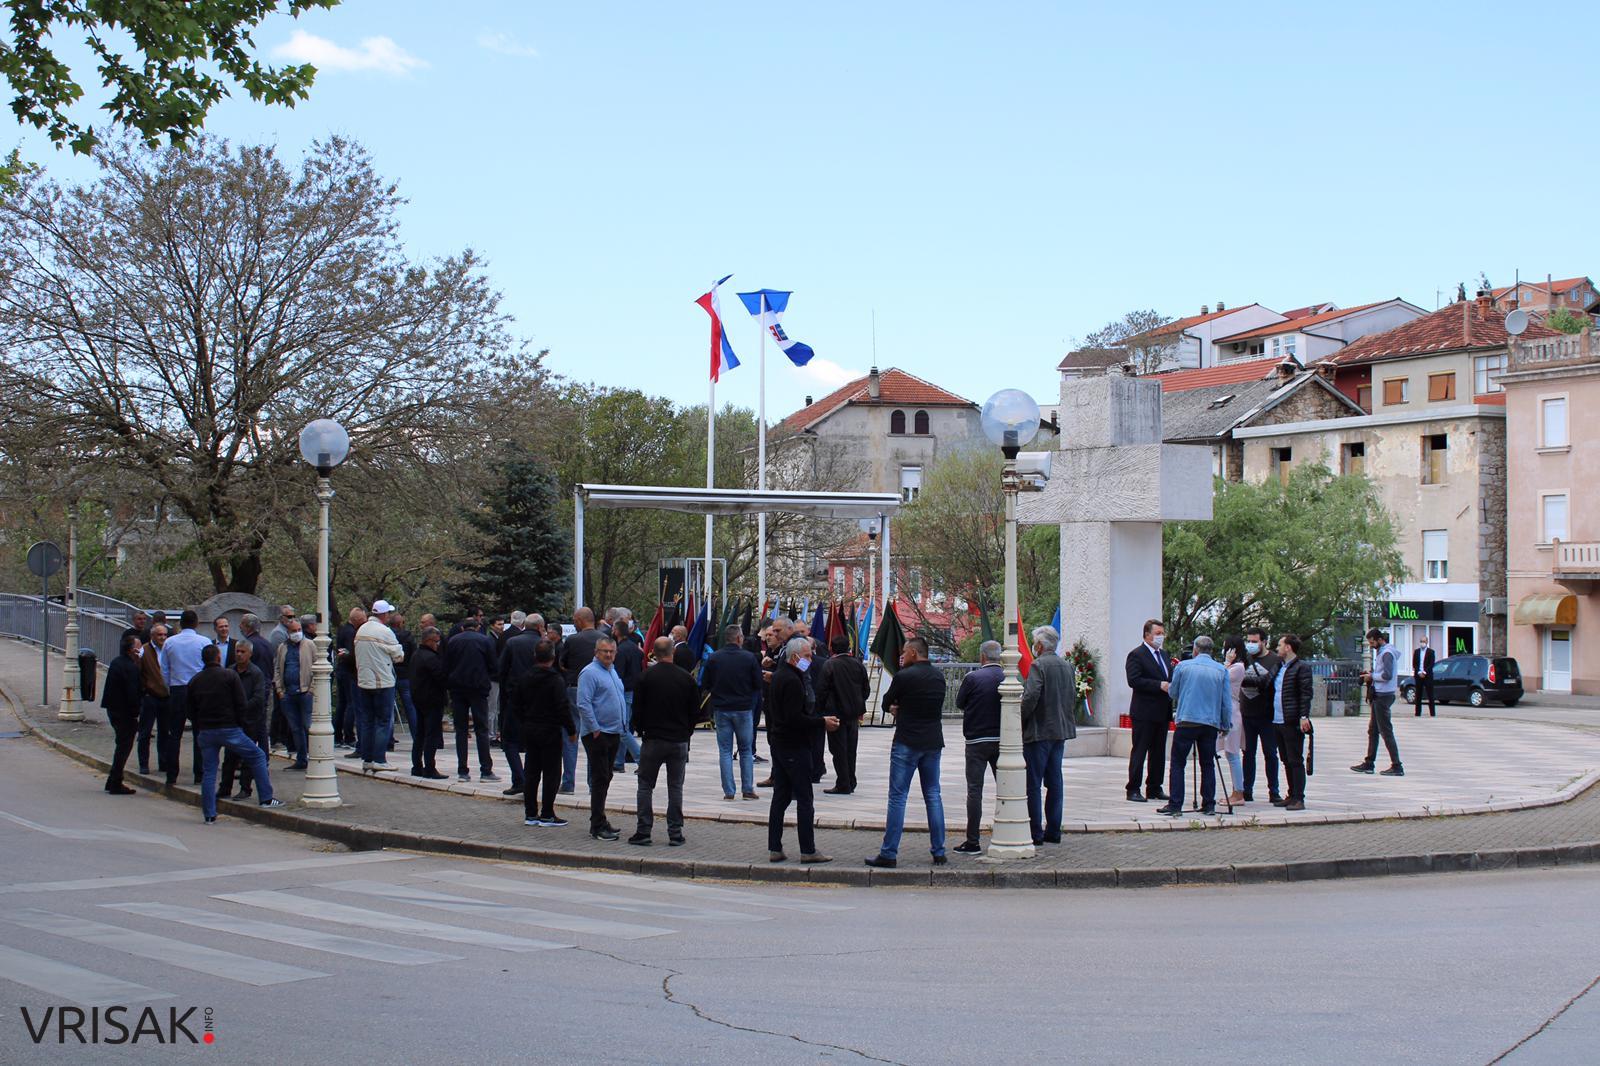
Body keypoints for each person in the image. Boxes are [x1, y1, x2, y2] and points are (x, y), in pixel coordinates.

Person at [866, 637, 947, 869]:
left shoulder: (905, 676)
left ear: (913, 652)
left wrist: (895, 708)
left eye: (904, 652)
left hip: (907, 740)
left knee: (898, 797)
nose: (902, 656)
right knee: (933, 795)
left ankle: (889, 853)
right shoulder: (938, 676)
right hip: (932, 741)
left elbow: (886, 702)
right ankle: (939, 851)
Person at [190, 644, 284, 823]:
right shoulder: (229, 675)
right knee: (257, 755)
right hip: (229, 727)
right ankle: (266, 797)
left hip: (206, 730)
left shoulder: (196, 680)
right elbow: (241, 703)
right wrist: (240, 723)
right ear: (218, 657)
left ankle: (209, 814)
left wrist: (200, 724)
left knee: (209, 771)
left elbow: (190, 708)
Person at [766, 636, 835, 864]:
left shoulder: (780, 675)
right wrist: (821, 722)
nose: (810, 659)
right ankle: (808, 849)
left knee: (781, 796)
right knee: (804, 798)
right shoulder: (792, 681)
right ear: (795, 657)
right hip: (794, 745)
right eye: (807, 656)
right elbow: (795, 718)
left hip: (780, 742)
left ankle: (775, 847)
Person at [629, 637, 700, 846]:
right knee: (675, 787)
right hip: (678, 739)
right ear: (673, 652)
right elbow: (694, 711)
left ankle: (643, 830)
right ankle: (675, 832)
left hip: (653, 738)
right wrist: (686, 733)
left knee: (645, 785)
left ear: (654, 652)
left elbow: (637, 709)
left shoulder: (645, 677)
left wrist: (642, 729)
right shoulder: (686, 678)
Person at [1156, 636, 1232, 817]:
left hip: (1187, 720)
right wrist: (1225, 723)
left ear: (1195, 650)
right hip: (1210, 722)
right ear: (1211, 650)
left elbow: (1173, 692)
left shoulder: (1183, 666)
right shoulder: (1221, 670)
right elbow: (1225, 702)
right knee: (1207, 763)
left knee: (1178, 763)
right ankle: (1209, 804)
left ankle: (1175, 804)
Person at [1021, 625, 1076, 845]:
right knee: (1055, 782)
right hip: (1059, 731)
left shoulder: (1038, 665)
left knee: (1033, 784)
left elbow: (1031, 696)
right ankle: (1053, 830)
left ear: (1040, 645)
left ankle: (1035, 832)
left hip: (1039, 731)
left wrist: (1020, 719)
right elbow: (1071, 696)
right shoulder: (1067, 666)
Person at [515, 640, 577, 828]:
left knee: (531, 771)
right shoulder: (555, 680)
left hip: (530, 727)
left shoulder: (525, 677)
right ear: (553, 657)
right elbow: (562, 707)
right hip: (550, 729)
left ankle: (530, 813)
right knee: (552, 772)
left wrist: (524, 722)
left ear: (535, 656)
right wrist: (571, 729)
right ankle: (547, 813)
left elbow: (516, 704)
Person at [952, 640, 1004, 855]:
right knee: (1006, 788)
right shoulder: (1008, 677)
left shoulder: (972, 678)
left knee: (975, 790)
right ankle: (1006, 832)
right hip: (1002, 741)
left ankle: (973, 841)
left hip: (976, 740)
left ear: (982, 656)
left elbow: (960, 703)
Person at [701, 625, 762, 800]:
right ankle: (747, 789)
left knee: (725, 751)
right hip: (743, 708)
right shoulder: (749, 658)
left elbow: (705, 683)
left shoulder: (714, 658)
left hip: (722, 708)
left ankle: (729, 791)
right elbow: (758, 684)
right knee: (746, 750)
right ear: (739, 638)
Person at [576, 635, 627, 841]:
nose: (608, 655)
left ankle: (601, 818)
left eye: (611, 651)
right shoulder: (589, 673)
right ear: (596, 652)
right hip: (598, 734)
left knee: (606, 776)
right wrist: (595, 728)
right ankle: (596, 825)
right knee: (599, 778)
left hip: (613, 732)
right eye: (604, 651)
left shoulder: (612, 671)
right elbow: (583, 703)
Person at [444, 617, 500, 782]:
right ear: (477, 627)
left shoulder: (453, 641)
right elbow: (493, 666)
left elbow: (446, 665)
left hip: (458, 689)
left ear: (462, 628)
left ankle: (463, 771)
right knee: (481, 729)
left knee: (461, 730)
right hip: (478, 688)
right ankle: (486, 770)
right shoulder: (484, 641)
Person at [160, 609, 211, 785]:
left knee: (174, 734)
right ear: (196, 623)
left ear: (180, 624)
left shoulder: (170, 642)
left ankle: (171, 774)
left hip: (177, 689)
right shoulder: (204, 642)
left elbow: (164, 669)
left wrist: (169, 686)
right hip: (199, 690)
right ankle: (199, 773)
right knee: (199, 733)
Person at [1125, 619, 1174, 803]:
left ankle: (1154, 787)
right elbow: (1134, 680)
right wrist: (1158, 685)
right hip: (1144, 712)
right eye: (1157, 633)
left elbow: (1169, 676)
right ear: (1147, 635)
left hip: (1162, 711)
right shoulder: (1137, 655)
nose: (1161, 637)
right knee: (1140, 750)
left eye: (1162, 633)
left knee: (1158, 752)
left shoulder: (1164, 655)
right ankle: (1133, 788)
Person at [354, 599, 405, 773]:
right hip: (382, 681)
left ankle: (367, 759)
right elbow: (399, 655)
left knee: (367, 721)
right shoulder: (385, 631)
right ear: (384, 614)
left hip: (364, 681)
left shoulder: (361, 629)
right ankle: (379, 759)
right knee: (383, 721)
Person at [499, 620, 547, 797]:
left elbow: (502, 670)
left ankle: (519, 778)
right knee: (533, 744)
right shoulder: (544, 644)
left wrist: (507, 693)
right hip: (539, 700)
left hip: (515, 698)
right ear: (540, 626)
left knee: (509, 741)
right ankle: (529, 780)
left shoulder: (512, 642)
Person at [818, 634, 869, 794]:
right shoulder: (858, 664)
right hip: (853, 714)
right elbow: (866, 689)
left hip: (835, 714)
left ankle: (843, 783)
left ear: (832, 648)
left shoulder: (830, 665)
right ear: (848, 647)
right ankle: (850, 780)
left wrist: (820, 710)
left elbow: (822, 690)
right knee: (851, 749)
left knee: (838, 749)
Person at [559, 607, 604, 792]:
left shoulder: (573, 640)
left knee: (571, 734)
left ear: (579, 620)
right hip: (598, 691)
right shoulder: (604, 638)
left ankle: (568, 782)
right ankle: (594, 783)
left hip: (575, 688)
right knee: (595, 734)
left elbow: (562, 663)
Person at [219, 640, 270, 799]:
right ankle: (225, 787)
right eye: (237, 651)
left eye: (243, 652)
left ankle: (245, 788)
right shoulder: (230, 671)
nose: (239, 654)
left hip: (250, 721)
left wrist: (243, 707)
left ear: (250, 654)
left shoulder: (255, 673)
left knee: (248, 757)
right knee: (230, 756)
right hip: (233, 721)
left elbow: (258, 697)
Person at [1272, 634, 1315, 811]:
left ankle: (1299, 798)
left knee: (1295, 760)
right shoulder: (1280, 667)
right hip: (1277, 720)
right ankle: (1291, 794)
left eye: (1280, 645)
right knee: (1286, 759)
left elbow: (1306, 693)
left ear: (1288, 647)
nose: (1277, 648)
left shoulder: (1301, 668)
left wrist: (1304, 716)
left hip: (1291, 720)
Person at [1354, 628, 1404, 776]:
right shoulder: (1383, 652)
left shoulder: (1387, 653)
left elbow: (1387, 675)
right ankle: (1369, 763)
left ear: (1380, 639)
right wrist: (1372, 674)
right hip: (1380, 695)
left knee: (1385, 731)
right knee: (1373, 730)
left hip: (1383, 695)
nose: (1371, 646)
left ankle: (1397, 766)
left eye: (1372, 643)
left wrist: (1372, 677)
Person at [1239, 627, 1280, 804]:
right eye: (1249, 641)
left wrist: (1246, 680)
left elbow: (1267, 683)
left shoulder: (1275, 660)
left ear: (1264, 642)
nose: (1251, 645)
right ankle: (1247, 789)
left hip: (1267, 714)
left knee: (1270, 753)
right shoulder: (1244, 658)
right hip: (1246, 713)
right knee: (1248, 754)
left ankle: (1274, 791)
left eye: (1254, 641)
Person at [101, 631, 144, 794]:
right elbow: (132, 692)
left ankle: (112, 779)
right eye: (139, 647)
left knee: (121, 744)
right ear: (132, 650)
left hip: (114, 709)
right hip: (124, 712)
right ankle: (115, 781)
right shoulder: (130, 667)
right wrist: (135, 712)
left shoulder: (117, 662)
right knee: (124, 746)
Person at [409, 626, 450, 779]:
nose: (438, 645)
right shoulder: (431, 658)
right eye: (436, 642)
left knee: (420, 734)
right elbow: (441, 678)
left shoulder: (416, 655)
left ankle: (417, 766)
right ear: (429, 641)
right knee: (431, 735)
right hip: (432, 700)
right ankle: (429, 768)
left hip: (419, 699)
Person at [274, 616, 314, 771]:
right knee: (295, 728)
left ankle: (314, 757)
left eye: (299, 630)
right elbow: (277, 668)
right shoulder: (282, 647)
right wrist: (280, 690)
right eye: (294, 631)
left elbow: (318, 667)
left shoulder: (309, 645)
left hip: (305, 693)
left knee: (307, 726)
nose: (297, 633)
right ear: (288, 632)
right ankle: (301, 758)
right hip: (288, 694)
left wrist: (311, 689)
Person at [611, 616, 644, 772]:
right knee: (623, 727)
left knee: (623, 729)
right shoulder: (634, 648)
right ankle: (618, 762)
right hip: (633, 690)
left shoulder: (621, 650)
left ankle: (641, 759)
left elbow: (619, 674)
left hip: (624, 691)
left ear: (617, 632)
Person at [135, 622, 169, 775]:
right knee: (145, 732)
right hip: (150, 696)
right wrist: (144, 690)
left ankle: (163, 762)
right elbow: (138, 671)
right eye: (159, 635)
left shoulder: (169, 649)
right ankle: (144, 764)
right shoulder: (145, 650)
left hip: (166, 696)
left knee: (164, 732)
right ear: (152, 636)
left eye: (165, 635)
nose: (162, 637)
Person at [1219, 636, 1248, 805]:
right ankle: (1236, 791)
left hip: (1232, 714)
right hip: (1227, 712)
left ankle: (1238, 793)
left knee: (1232, 754)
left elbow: (1219, 677)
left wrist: (1227, 662)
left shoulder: (1237, 667)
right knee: (1230, 754)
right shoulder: (1233, 667)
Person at [334, 607, 365, 750]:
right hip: (348, 672)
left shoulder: (342, 629)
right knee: (351, 704)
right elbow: (351, 653)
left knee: (342, 704)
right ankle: (349, 736)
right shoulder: (351, 633)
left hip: (342, 670)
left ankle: (338, 735)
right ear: (357, 620)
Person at [1413, 632, 1437, 717]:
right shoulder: (1416, 652)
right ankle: (1417, 713)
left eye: (1423, 641)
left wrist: (1424, 672)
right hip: (1418, 675)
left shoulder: (1431, 652)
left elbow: (1431, 664)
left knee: (1430, 695)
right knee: (1418, 695)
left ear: (1427, 642)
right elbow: (1414, 664)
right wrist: (1419, 672)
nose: (1422, 643)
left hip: (1427, 676)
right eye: (1421, 641)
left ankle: (1432, 713)